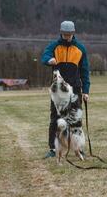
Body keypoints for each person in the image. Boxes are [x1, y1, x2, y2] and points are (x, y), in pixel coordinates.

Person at [41, 21, 90, 158]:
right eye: (64, 34)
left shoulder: (80, 49)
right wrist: (49, 60)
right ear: (61, 32)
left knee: (76, 120)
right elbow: (44, 56)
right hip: (58, 92)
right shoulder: (54, 46)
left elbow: (85, 72)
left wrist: (85, 91)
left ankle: (78, 148)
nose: (66, 37)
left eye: (69, 34)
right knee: (55, 119)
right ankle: (53, 149)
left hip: (75, 90)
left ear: (73, 33)